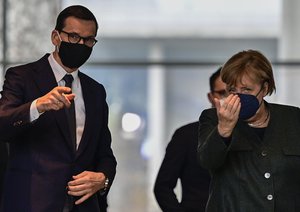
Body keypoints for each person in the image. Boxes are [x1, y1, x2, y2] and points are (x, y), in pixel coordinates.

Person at [0, 5, 117, 212]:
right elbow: (3, 125)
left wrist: (103, 178)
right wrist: (38, 106)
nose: (81, 44)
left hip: (82, 205)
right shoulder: (22, 77)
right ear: (56, 37)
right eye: (73, 37)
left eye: (88, 40)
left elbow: (104, 153)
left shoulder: (95, 91)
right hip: (32, 203)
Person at [197, 49, 300, 212]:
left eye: (246, 90)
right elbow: (207, 161)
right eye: (232, 90)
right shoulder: (213, 118)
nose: (238, 97)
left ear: (264, 89)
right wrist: (224, 129)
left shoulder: (294, 119)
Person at [154, 67, 226, 212]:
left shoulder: (250, 134)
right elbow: (163, 187)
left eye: (234, 92)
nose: (228, 98)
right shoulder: (186, 135)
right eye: (222, 93)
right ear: (211, 97)